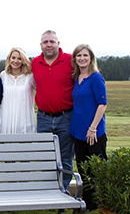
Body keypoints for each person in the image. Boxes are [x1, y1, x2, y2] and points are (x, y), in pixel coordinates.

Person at [31, 30, 74, 192]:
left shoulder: (70, 60)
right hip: (43, 118)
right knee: (46, 156)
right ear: (41, 45)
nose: (49, 45)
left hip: (66, 117)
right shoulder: (35, 62)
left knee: (65, 157)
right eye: (45, 42)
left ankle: (63, 191)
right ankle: (48, 191)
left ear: (58, 43)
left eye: (52, 41)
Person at [70, 44, 107, 212]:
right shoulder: (76, 78)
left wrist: (93, 128)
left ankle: (105, 200)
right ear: (75, 59)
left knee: (98, 169)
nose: (82, 58)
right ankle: (89, 202)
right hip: (77, 131)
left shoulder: (96, 77)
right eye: (78, 56)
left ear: (91, 58)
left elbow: (102, 104)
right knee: (83, 168)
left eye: (85, 55)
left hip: (93, 133)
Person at [0, 47, 36, 134]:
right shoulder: (3, 75)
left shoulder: (30, 76)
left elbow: (41, 90)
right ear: (9, 59)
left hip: (24, 120)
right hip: (7, 120)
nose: (16, 61)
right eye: (13, 58)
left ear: (23, 60)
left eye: (19, 58)